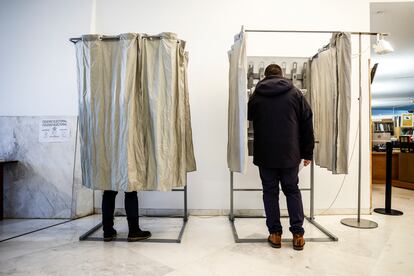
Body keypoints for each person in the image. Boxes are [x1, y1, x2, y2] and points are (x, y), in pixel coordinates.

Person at [248, 64, 314, 250]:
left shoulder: (257, 95)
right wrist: (307, 152)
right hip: (290, 154)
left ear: (265, 76)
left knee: (270, 192)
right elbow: (307, 122)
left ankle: (275, 234)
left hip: (265, 153)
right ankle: (298, 236)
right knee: (292, 190)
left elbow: (248, 115)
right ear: (282, 75)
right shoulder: (295, 93)